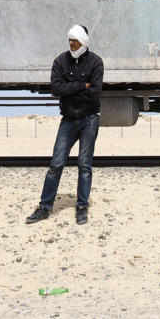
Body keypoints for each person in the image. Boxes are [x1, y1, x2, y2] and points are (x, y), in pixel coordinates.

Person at [26, 24, 104, 225]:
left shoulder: (96, 62)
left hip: (89, 119)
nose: (71, 43)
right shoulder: (60, 61)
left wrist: (69, 89)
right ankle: (44, 207)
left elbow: (94, 92)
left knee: (84, 165)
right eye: (69, 39)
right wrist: (80, 86)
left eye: (75, 40)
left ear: (83, 41)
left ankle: (81, 207)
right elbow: (56, 88)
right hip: (68, 120)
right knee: (56, 164)